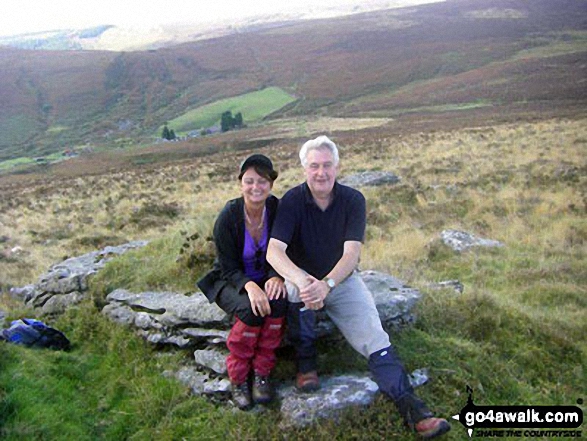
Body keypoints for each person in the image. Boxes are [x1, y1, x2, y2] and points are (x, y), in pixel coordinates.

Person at [266, 136, 450, 439]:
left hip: (341, 281)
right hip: (304, 279)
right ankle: (306, 366)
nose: (321, 173)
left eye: (327, 165)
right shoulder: (292, 201)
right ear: (304, 169)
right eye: (314, 166)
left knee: (376, 339)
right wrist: (301, 280)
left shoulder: (353, 200)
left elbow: (351, 254)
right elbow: (275, 251)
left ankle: (414, 410)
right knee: (295, 294)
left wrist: (328, 284)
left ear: (337, 167)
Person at [198, 154, 287, 410]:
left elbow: (284, 248)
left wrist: (275, 276)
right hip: (230, 280)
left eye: (262, 181)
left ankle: (262, 373)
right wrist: (250, 287)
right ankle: (238, 378)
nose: (255, 187)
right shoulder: (229, 216)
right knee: (251, 310)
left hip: (266, 276)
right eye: (249, 181)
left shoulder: (277, 209)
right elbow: (227, 266)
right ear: (240, 183)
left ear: (271, 184)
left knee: (279, 304)